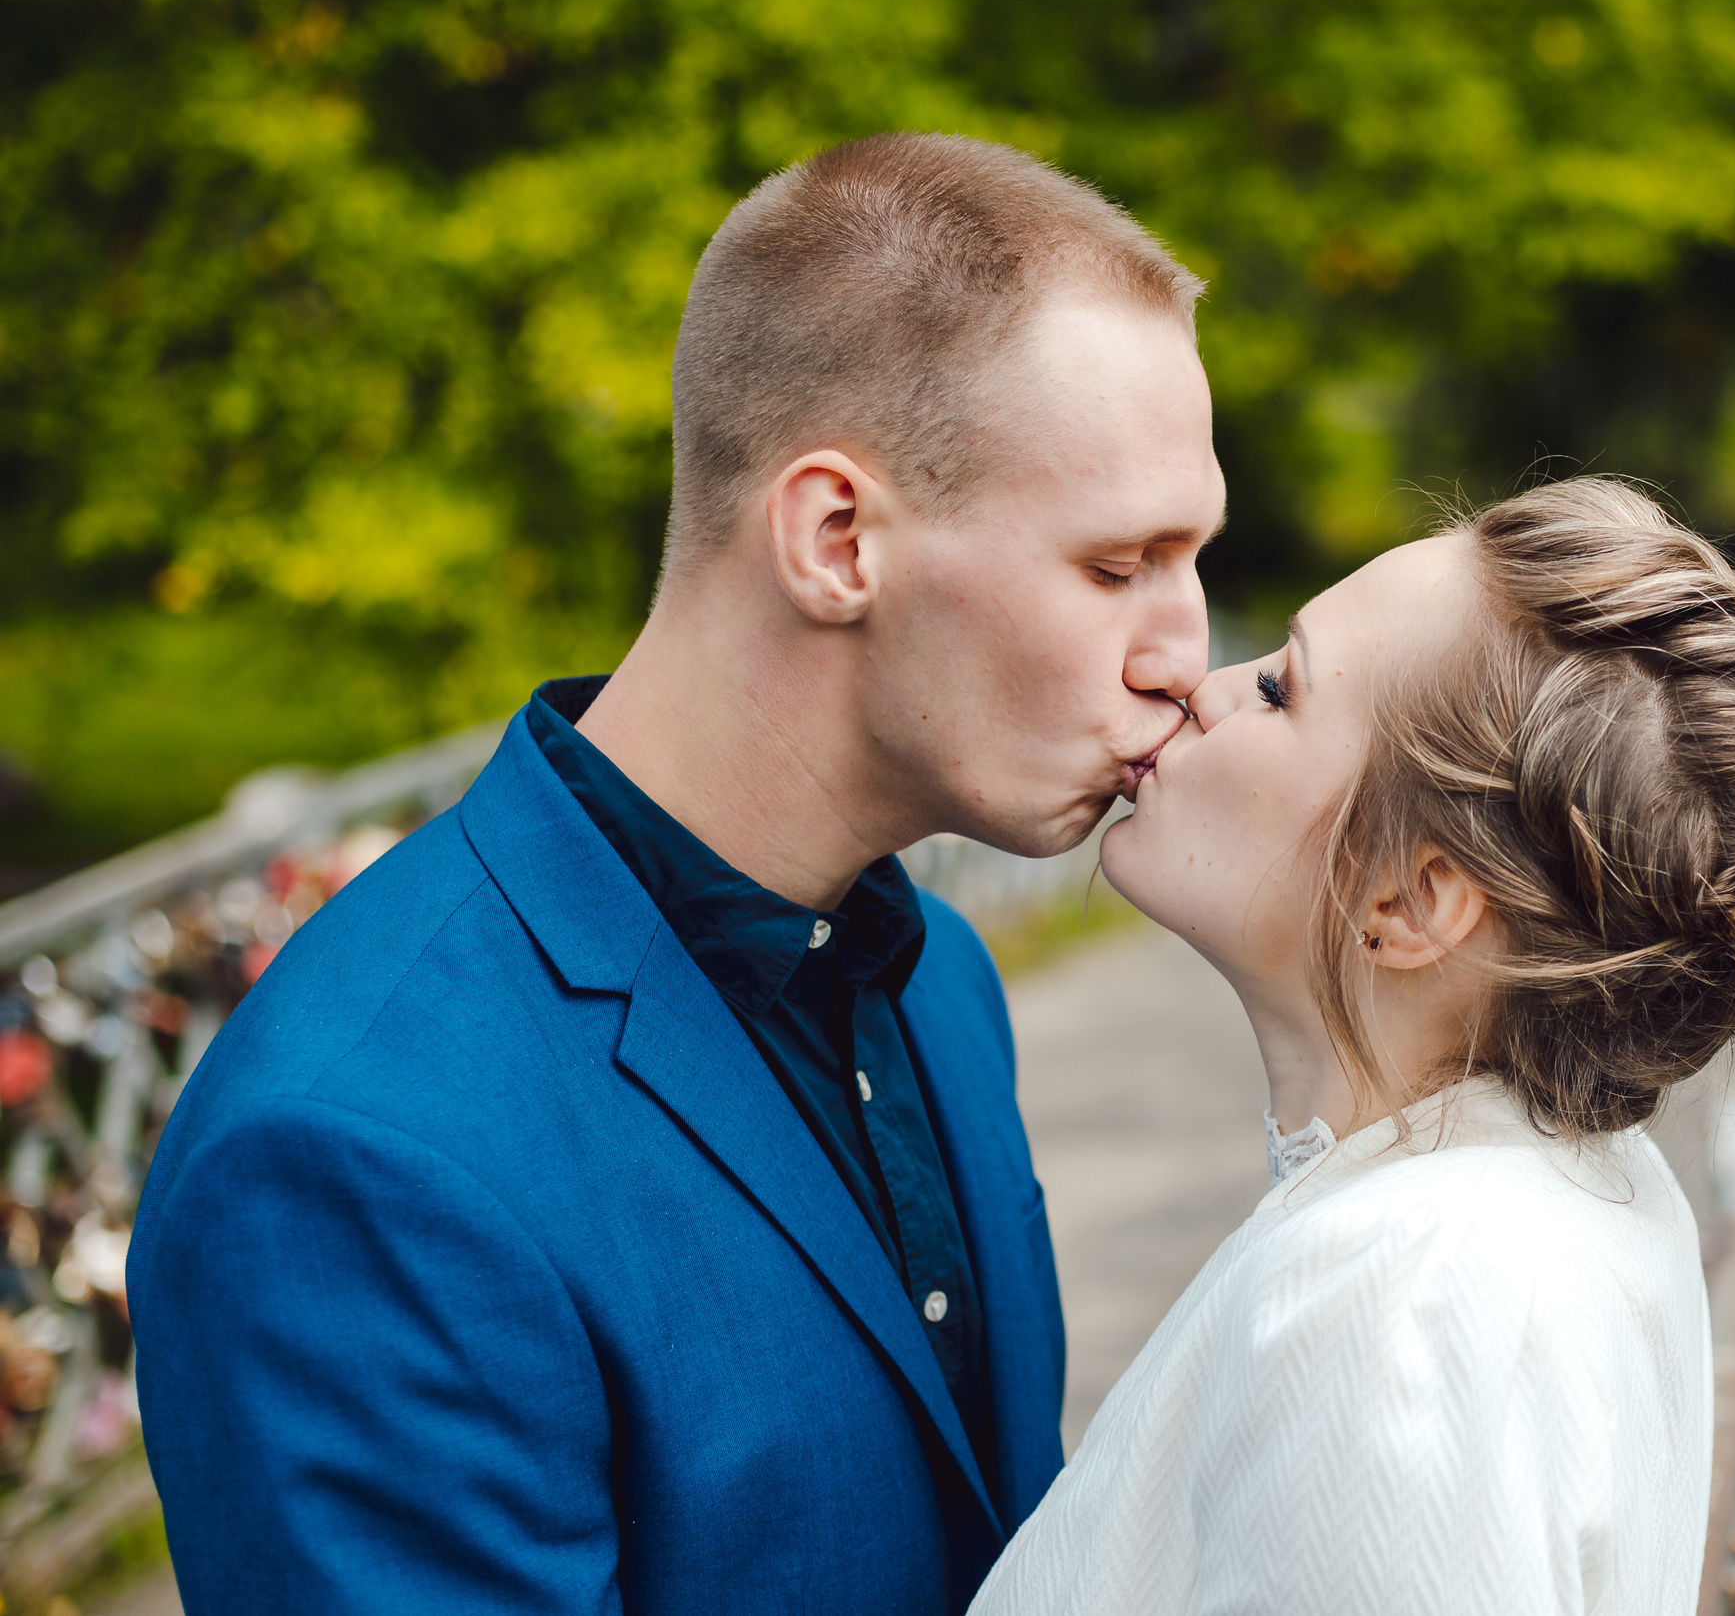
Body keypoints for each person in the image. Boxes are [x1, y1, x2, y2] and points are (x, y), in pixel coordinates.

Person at [127, 133, 1226, 1614]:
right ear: (837, 537)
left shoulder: (938, 977)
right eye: (1117, 565)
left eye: (1195, 556)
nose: (1185, 655)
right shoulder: (352, 1147)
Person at [971, 477, 1735, 1616]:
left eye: (1279, 687)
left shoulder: (1409, 1303)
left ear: (1413, 901)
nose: (1199, 692)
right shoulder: (1572, 1200)